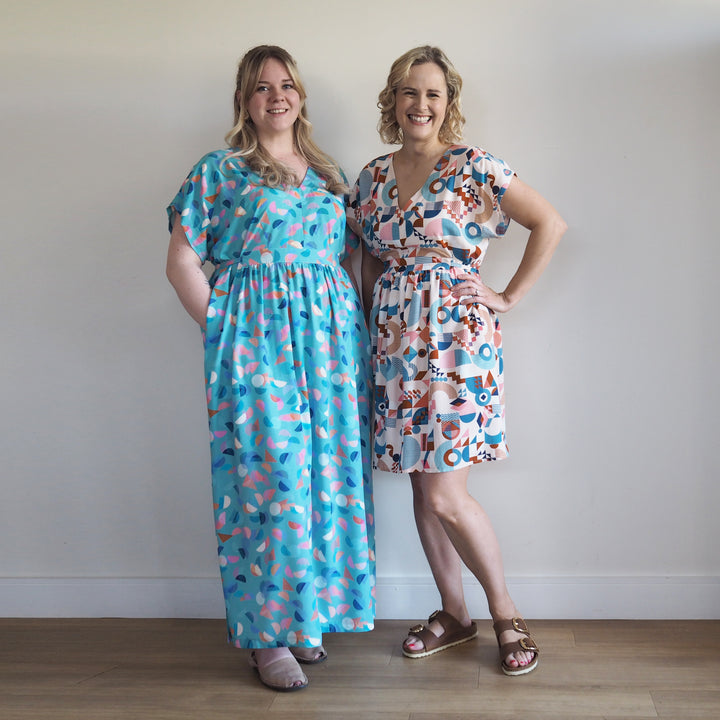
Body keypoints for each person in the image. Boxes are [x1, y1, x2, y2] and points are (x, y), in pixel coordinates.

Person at [351, 46, 566, 676]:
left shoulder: (473, 166)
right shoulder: (371, 177)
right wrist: (368, 328)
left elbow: (549, 223)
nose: (420, 104)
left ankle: (506, 614)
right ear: (392, 100)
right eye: (409, 92)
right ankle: (455, 614)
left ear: (449, 104)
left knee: (445, 492)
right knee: (424, 487)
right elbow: (366, 261)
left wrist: (508, 297)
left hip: (456, 341)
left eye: (433, 94)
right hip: (395, 344)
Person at [166, 45, 375, 692]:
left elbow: (351, 261)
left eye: (286, 85)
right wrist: (222, 331)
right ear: (244, 101)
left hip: (331, 348)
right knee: (267, 481)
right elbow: (182, 261)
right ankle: (266, 636)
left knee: (324, 479)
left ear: (301, 96)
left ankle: (305, 618)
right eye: (261, 87)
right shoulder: (220, 170)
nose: (276, 96)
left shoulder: (330, 176)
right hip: (255, 342)